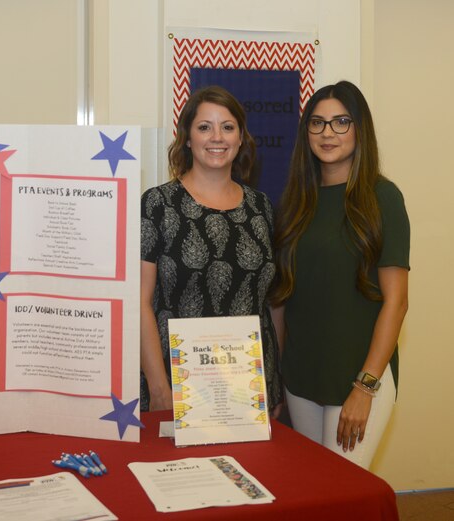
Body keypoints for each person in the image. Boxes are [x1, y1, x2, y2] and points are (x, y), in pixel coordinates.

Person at [271, 80, 410, 469]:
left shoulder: (382, 197)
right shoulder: (295, 202)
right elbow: (282, 298)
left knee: (344, 489)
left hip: (359, 377)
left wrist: (365, 387)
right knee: (316, 488)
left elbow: (397, 302)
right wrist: (278, 374)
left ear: (359, 128)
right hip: (301, 378)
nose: (327, 133)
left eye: (341, 122)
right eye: (317, 123)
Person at [140, 85, 282, 413]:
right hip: (177, 386)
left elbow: (271, 303)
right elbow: (140, 303)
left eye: (227, 127)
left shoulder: (261, 207)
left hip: (248, 389)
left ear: (241, 138)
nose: (217, 137)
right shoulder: (158, 204)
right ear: (188, 139)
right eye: (204, 127)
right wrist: (159, 388)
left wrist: (273, 383)